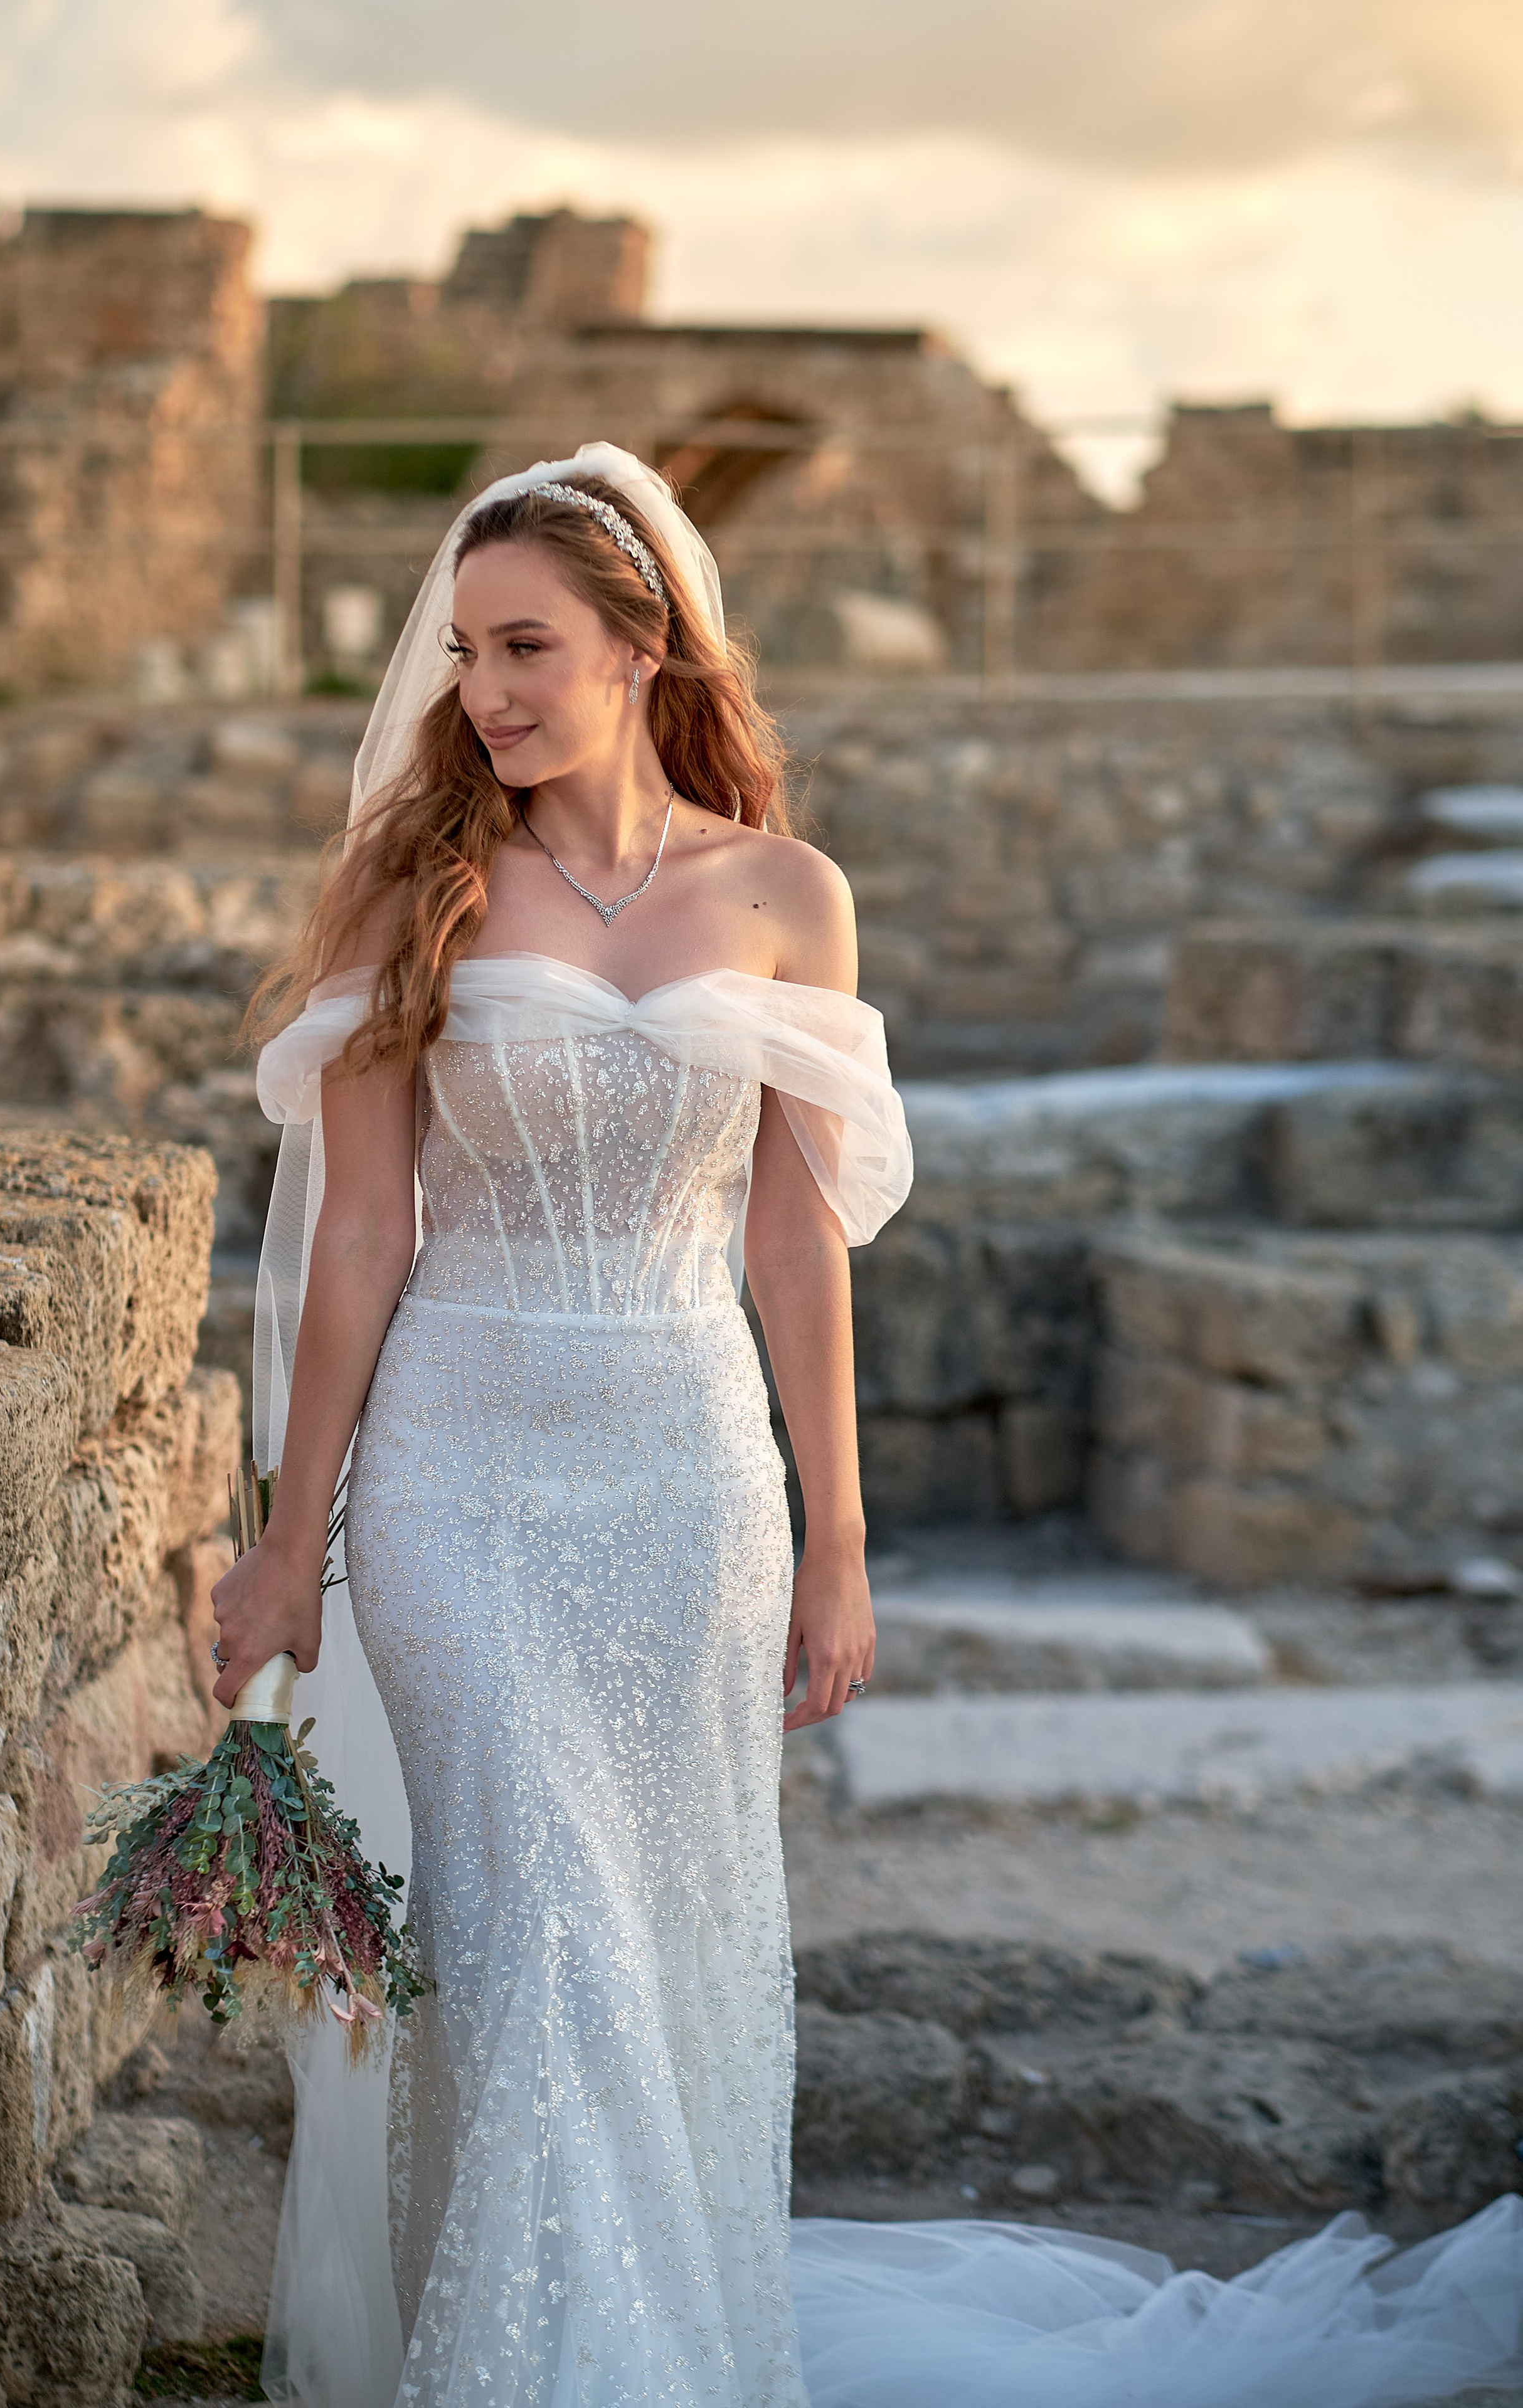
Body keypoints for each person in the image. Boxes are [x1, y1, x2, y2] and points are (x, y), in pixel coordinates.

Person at [211, 447, 1522, 2408]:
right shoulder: (419, 889)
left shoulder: (786, 896)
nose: (482, 689)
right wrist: (285, 1535)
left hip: (691, 1481)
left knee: (667, 1946)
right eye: (468, 650)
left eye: (529, 645)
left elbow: (798, 1237)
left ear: (644, 644)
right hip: (457, 1480)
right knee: (533, 1936)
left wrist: (838, 1532)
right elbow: (362, 1239)